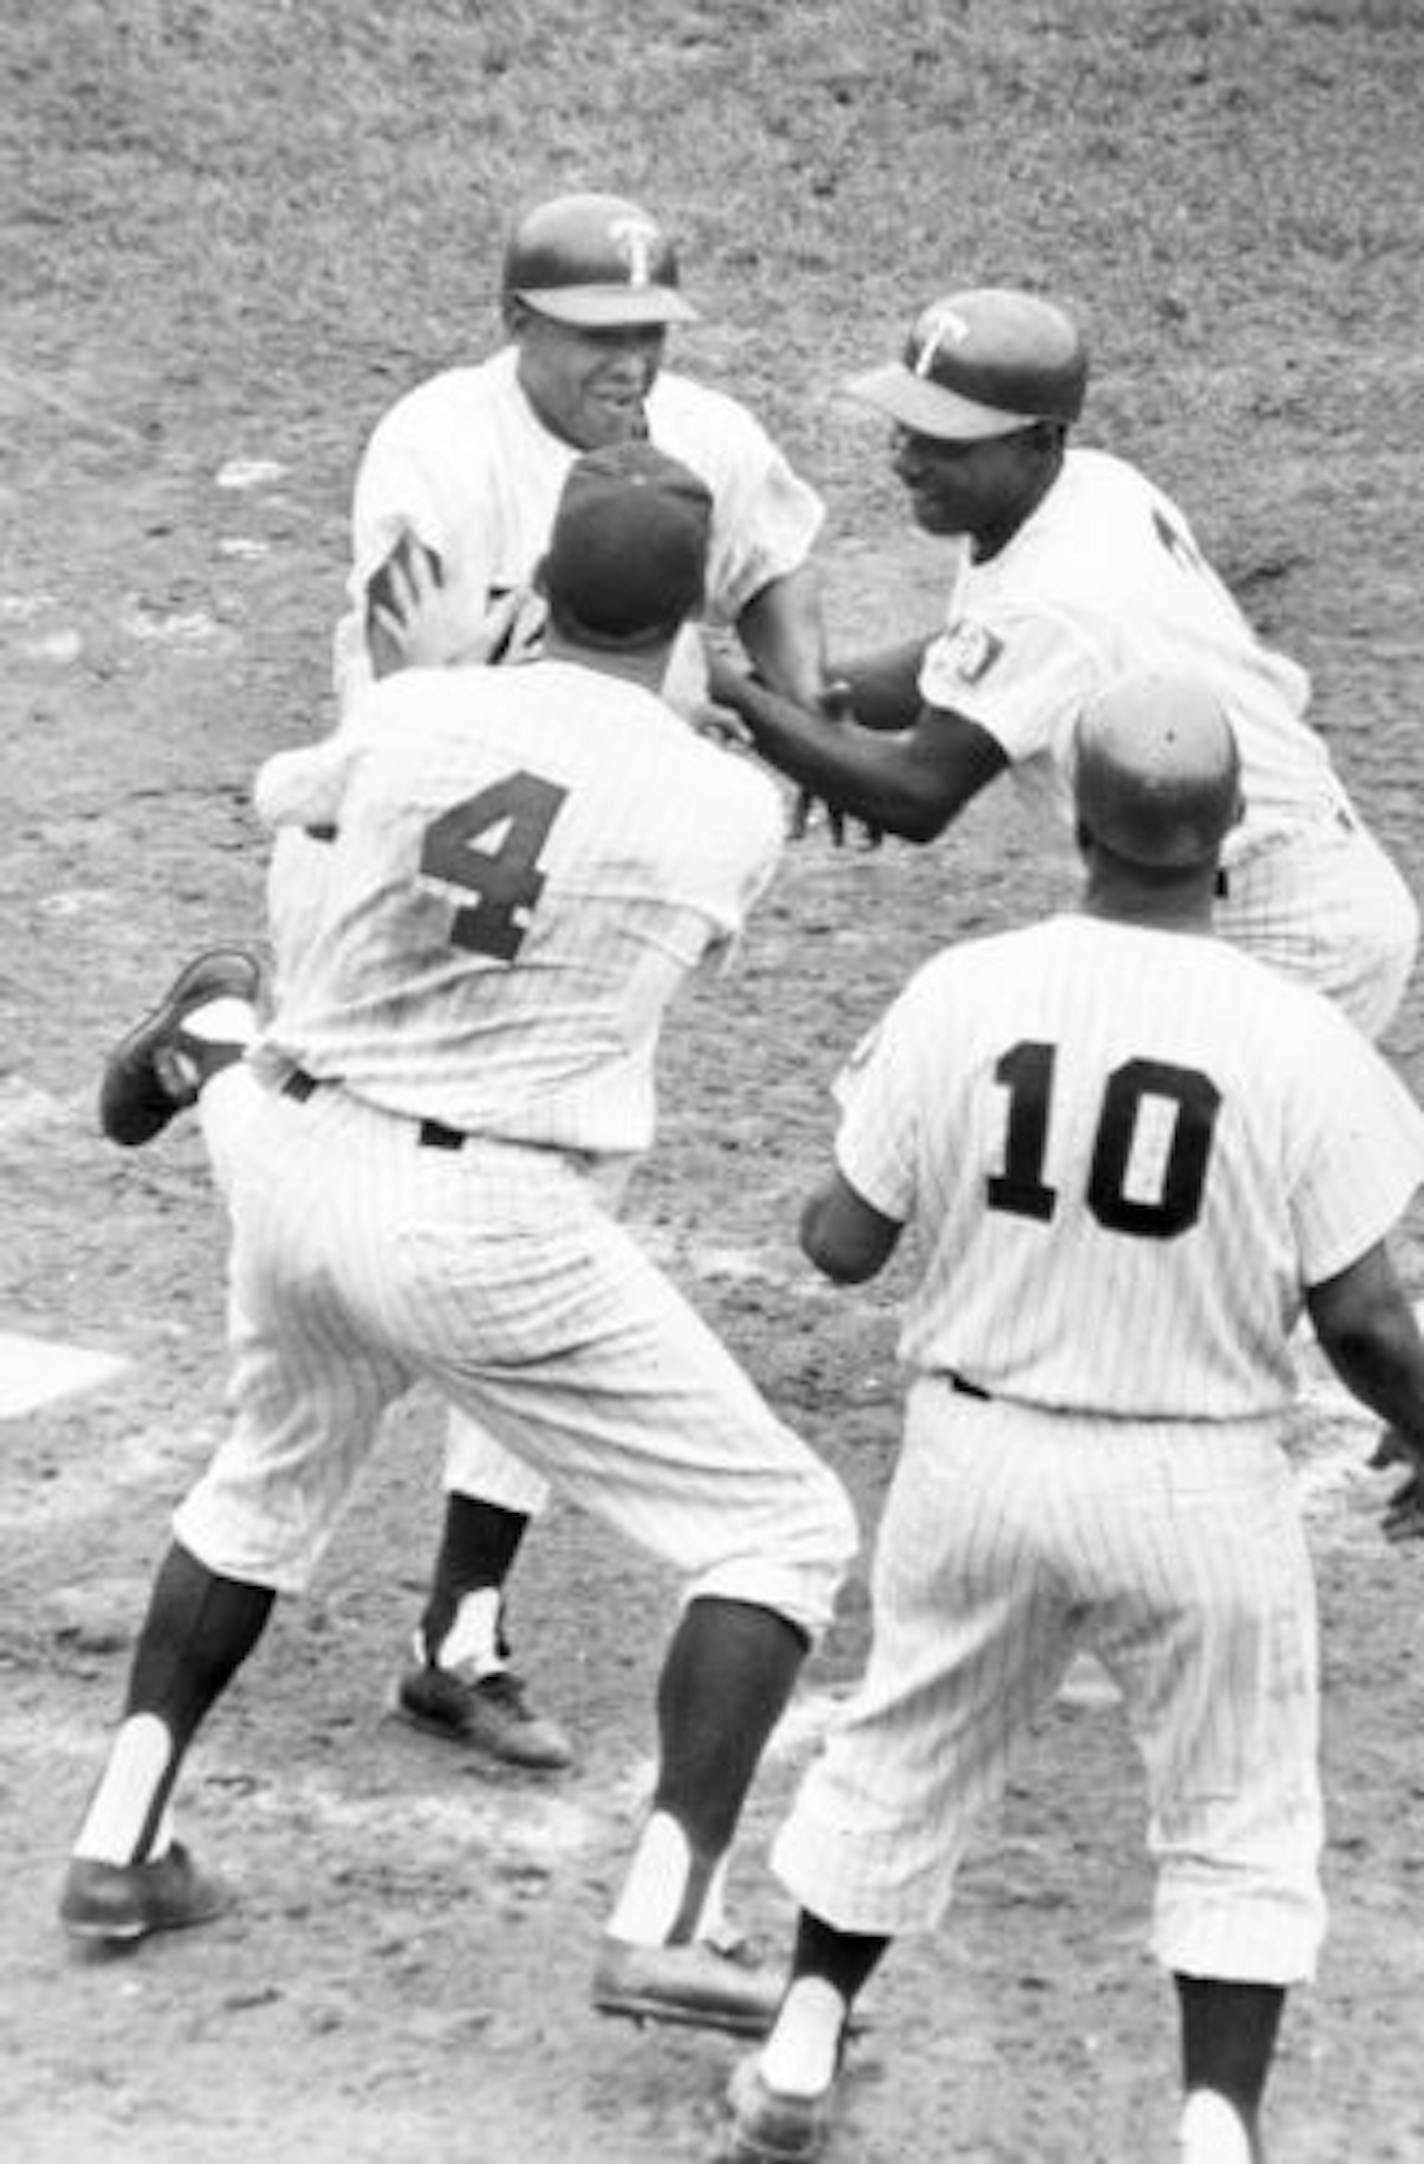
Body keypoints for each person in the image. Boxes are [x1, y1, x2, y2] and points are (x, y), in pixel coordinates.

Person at [60, 442, 860, 2045]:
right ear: (691, 617)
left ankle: (118, 1844)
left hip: (297, 1170)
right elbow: (651, 921)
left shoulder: (413, 717)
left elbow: (293, 805)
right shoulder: (726, 805)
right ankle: (669, 1922)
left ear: (542, 588)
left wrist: (412, 701)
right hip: (488, 1218)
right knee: (778, 1534)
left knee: (265, 1480)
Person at [96, 190, 836, 1773]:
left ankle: (461, 1630)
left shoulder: (698, 430)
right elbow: (412, 694)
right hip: (392, 829)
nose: (629, 368)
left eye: (649, 336)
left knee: (551, 1199)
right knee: (391, 1190)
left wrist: (804, 689)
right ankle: (225, 1040)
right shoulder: (433, 447)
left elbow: (775, 548)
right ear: (518, 327)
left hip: (585, 852)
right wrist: (648, 731)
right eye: (596, 341)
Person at [721, 670, 1424, 2164]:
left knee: (897, 1752)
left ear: (1081, 827)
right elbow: (1366, 1325)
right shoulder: (1306, 1042)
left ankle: (795, 2053)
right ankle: (1216, 2128)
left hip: (980, 1457)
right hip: (1199, 1486)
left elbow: (838, 1243)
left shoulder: (966, 990)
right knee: (1239, 1808)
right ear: (1231, 831)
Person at [708, 286, 1418, 1043]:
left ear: (1040, 441)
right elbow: (967, 660)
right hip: (1222, 886)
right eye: (905, 428)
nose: (907, 462)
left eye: (946, 442)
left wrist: (720, 690)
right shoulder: (1092, 486)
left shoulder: (1058, 595)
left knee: (1150, 1144)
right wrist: (796, 697)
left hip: (1281, 924)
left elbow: (915, 796)